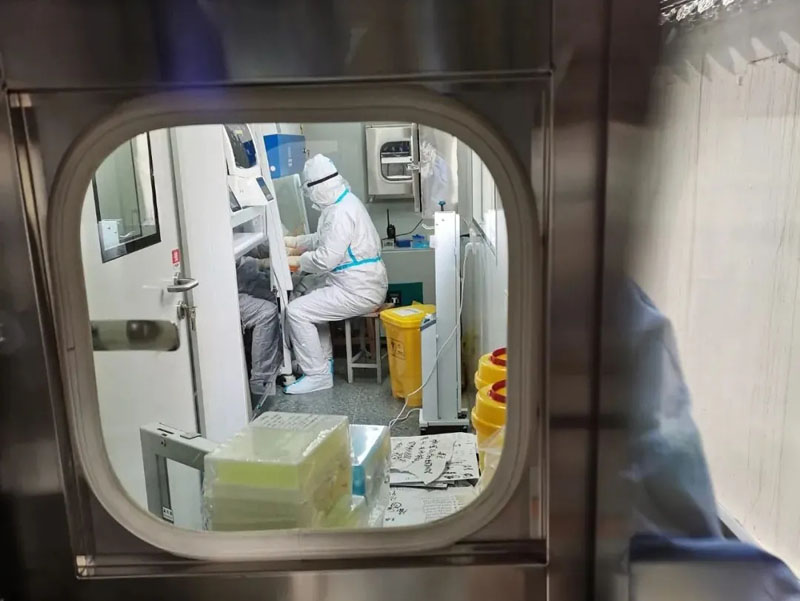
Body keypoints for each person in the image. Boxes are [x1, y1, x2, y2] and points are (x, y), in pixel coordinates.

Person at [283, 154, 388, 394]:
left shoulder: (340, 212)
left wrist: (296, 261)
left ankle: (317, 374)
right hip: (356, 281)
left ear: (317, 187)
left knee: (297, 311)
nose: (310, 196)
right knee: (306, 294)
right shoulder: (342, 203)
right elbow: (323, 238)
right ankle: (320, 361)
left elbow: (325, 259)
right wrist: (294, 242)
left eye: (310, 191)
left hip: (359, 289)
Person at [236, 249, 282, 405]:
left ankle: (277, 364)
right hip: (223, 292)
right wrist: (260, 263)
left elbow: (251, 245)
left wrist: (276, 246)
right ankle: (261, 381)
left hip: (241, 281)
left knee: (275, 296)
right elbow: (230, 257)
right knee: (267, 313)